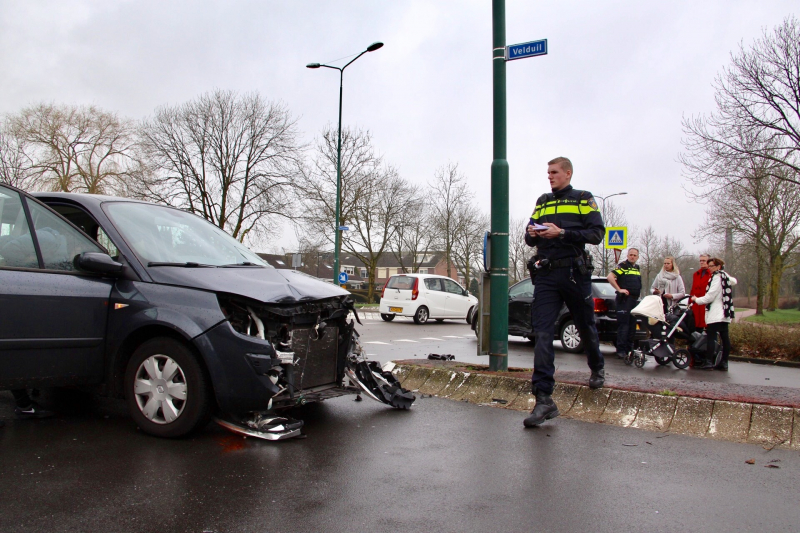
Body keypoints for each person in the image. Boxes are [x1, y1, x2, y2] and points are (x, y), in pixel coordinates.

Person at [522, 157, 605, 428]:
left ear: (567, 173)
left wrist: (562, 233)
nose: (550, 176)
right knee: (543, 332)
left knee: (585, 324)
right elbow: (527, 235)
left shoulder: (583, 198)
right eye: (548, 172)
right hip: (546, 274)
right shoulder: (543, 200)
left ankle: (597, 367)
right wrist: (534, 233)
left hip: (574, 273)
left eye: (554, 172)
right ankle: (544, 398)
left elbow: (596, 234)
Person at [690, 257, 737, 371]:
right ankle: (724, 362)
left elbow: (710, 297)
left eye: (711, 266)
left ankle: (709, 362)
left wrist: (696, 299)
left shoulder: (716, 278)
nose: (709, 268)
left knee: (711, 337)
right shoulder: (724, 277)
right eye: (709, 265)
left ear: (718, 267)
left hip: (716, 313)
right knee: (725, 338)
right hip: (725, 313)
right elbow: (734, 281)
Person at [607, 248, 642, 358]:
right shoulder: (623, 266)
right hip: (624, 300)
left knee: (632, 326)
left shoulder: (637, 268)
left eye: (634, 255)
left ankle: (629, 350)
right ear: (627, 255)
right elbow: (610, 277)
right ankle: (621, 350)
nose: (632, 257)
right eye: (631, 254)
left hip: (634, 300)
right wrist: (619, 289)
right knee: (624, 326)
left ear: (637, 257)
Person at [690, 254, 712, 331]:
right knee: (696, 325)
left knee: (707, 325)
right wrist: (690, 301)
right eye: (700, 261)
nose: (702, 262)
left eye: (704, 261)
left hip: (706, 304)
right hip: (696, 304)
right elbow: (693, 289)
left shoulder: (711, 274)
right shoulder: (696, 274)